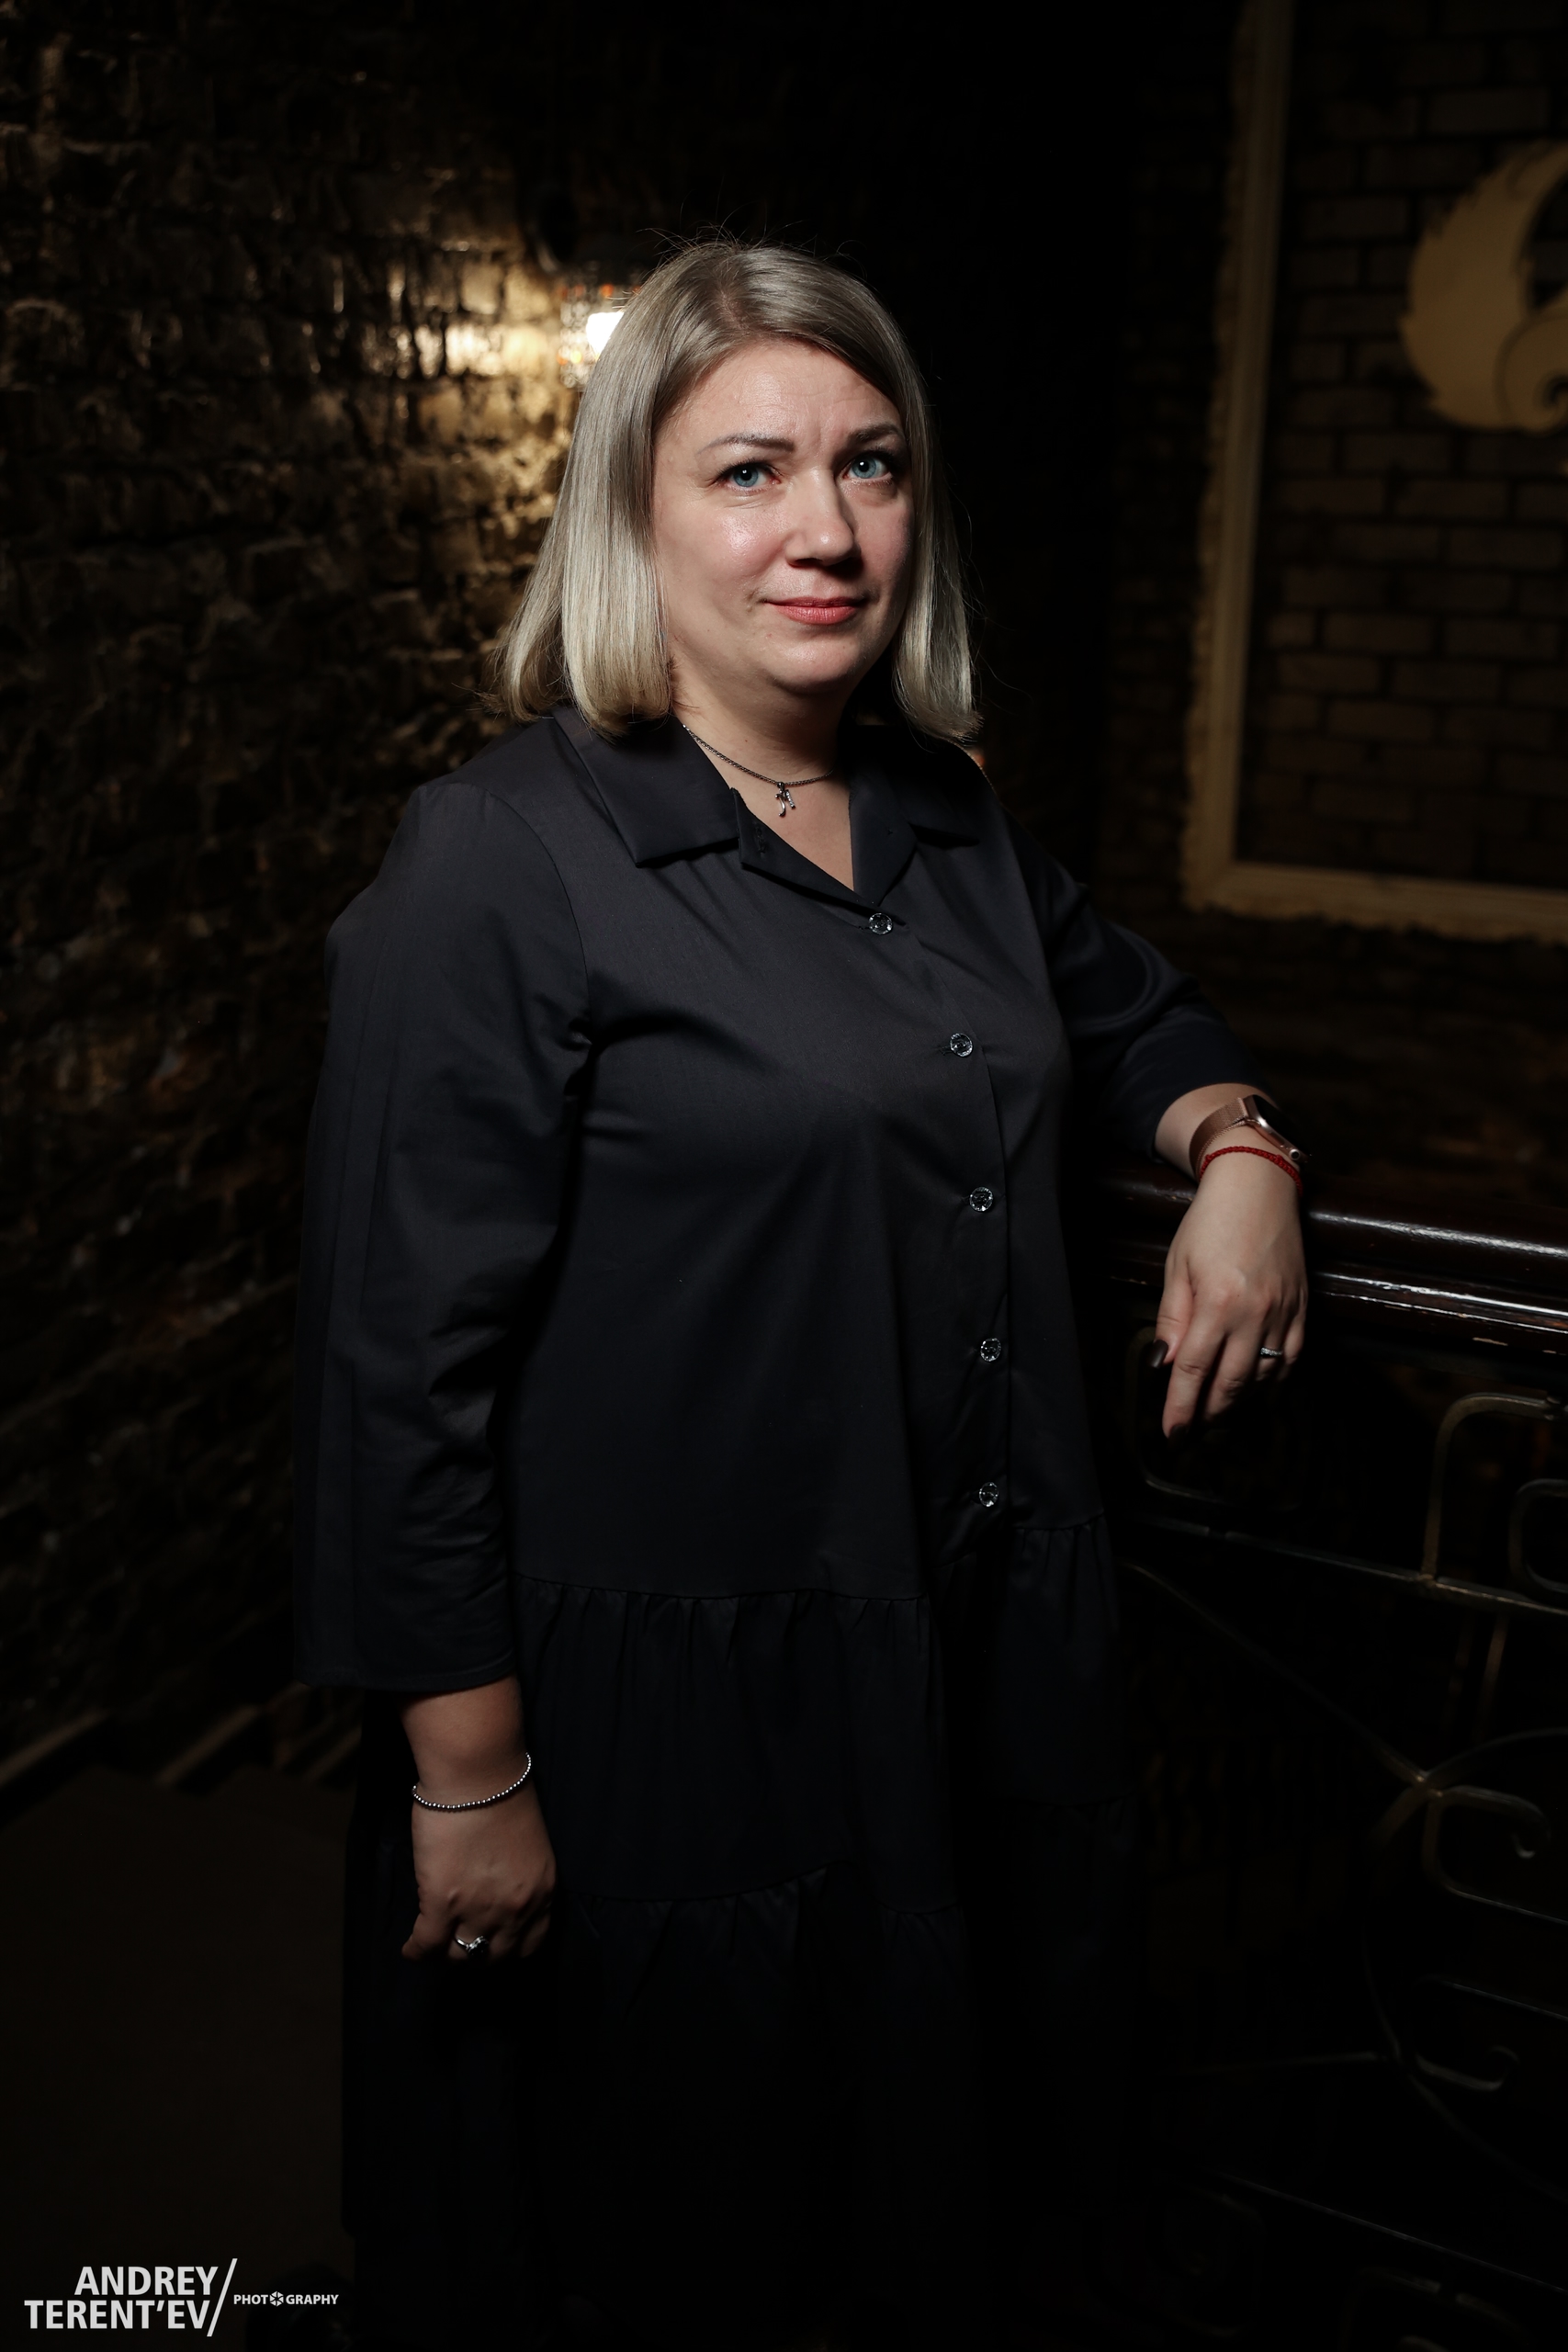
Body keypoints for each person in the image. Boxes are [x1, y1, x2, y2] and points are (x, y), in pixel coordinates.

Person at [294, 239, 1307, 2352]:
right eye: (747, 471)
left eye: (870, 465)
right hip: (667, 1692)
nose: (824, 530)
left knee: (907, 2190)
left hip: (945, 1632)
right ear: (632, 511)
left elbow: (1136, 1013)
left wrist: (1238, 1156)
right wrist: (466, 1775)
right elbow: (399, 1361)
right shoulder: (501, 857)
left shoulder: (943, 812)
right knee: (674, 2216)